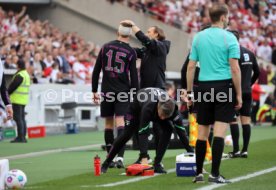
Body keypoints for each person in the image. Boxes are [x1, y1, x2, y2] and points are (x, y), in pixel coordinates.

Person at [187, 4, 242, 183]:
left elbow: (190, 67)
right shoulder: (229, 38)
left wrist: (189, 93)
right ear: (224, 17)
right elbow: (235, 69)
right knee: (219, 131)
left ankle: (198, 174)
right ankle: (215, 174)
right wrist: (239, 94)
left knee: (202, 133)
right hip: (223, 87)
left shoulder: (198, 37)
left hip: (202, 87)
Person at [101, 88, 192, 174]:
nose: (163, 118)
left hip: (155, 105)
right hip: (136, 110)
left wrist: (192, 154)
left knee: (168, 129)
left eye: (166, 116)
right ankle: (106, 162)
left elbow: (182, 133)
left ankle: (157, 164)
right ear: (158, 107)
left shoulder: (175, 111)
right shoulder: (149, 108)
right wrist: (144, 156)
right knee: (126, 134)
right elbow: (143, 133)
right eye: (162, 115)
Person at [120, 20, 171, 164]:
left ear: (156, 34)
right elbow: (134, 51)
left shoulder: (162, 45)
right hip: (144, 92)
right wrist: (121, 43)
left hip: (157, 89)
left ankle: (158, 160)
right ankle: (144, 155)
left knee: (158, 127)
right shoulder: (148, 49)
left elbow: (145, 40)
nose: (147, 34)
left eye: (149, 31)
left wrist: (133, 26)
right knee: (140, 124)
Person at [92, 22, 139, 168]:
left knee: (108, 124)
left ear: (117, 33)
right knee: (121, 123)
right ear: (129, 35)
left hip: (106, 91)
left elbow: (96, 70)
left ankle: (109, 157)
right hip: (123, 92)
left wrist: (94, 91)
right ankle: (120, 157)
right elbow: (134, 77)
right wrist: (135, 94)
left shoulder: (105, 46)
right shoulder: (131, 52)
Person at [228, 30, 260, 159]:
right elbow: (257, 72)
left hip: (234, 91)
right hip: (247, 91)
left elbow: (232, 71)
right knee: (246, 120)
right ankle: (245, 150)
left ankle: (236, 150)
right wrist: (249, 84)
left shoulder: (231, 53)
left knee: (233, 120)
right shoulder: (250, 53)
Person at [8, 59, 30, 143]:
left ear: (18, 66)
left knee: (18, 119)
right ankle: (23, 137)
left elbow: (13, 87)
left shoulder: (20, 75)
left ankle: (20, 137)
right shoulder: (26, 74)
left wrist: (6, 93)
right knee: (22, 119)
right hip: (23, 100)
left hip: (17, 99)